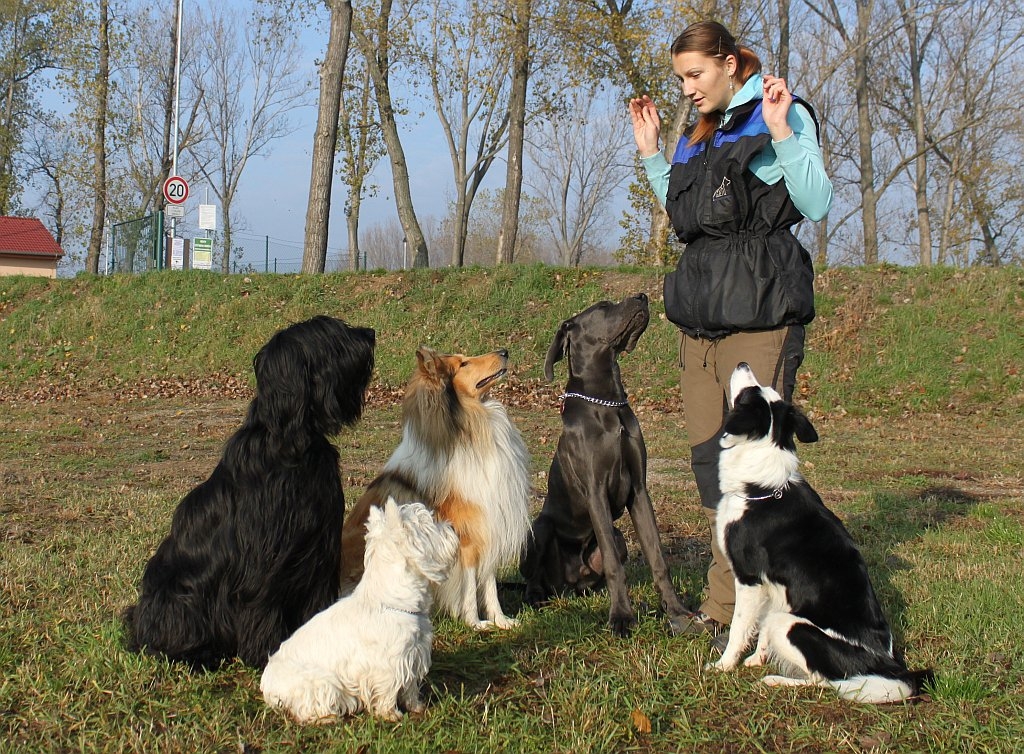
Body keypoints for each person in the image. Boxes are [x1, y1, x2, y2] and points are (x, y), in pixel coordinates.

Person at [627, 21, 833, 649]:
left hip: (761, 318)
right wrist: (654, 153)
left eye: (695, 75)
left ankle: (730, 612)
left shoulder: (777, 111)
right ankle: (756, 588)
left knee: (755, 473)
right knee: (708, 467)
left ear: (728, 62)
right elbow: (690, 216)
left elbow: (817, 200)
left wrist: (780, 133)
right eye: (680, 79)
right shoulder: (699, 132)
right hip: (700, 321)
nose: (687, 89)